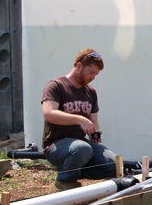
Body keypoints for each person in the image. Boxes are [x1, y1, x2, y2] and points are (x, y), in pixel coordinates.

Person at [41, 48, 117, 190]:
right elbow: (48, 113)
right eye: (91, 72)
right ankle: (65, 180)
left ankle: (74, 170)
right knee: (82, 149)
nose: (93, 77)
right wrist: (80, 120)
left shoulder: (91, 92)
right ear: (79, 66)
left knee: (112, 164)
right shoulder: (56, 86)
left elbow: (93, 121)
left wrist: (94, 133)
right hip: (56, 145)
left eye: (96, 74)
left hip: (81, 145)